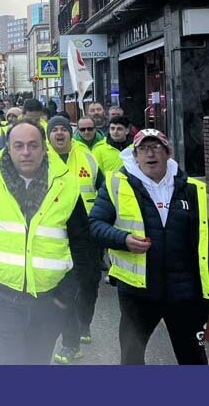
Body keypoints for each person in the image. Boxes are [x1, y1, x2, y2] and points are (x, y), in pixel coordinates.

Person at [0, 121, 97, 365]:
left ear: (44, 148)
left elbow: (82, 245)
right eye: (19, 146)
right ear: (8, 149)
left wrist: (68, 294)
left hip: (49, 298)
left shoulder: (65, 183)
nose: (26, 152)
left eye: (33, 145)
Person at [89, 129, 209, 365]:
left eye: (155, 147)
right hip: (138, 293)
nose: (149, 154)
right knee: (132, 359)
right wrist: (122, 239)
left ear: (168, 153)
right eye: (143, 149)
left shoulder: (194, 189)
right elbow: (94, 224)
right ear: (135, 156)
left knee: (194, 360)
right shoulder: (116, 184)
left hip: (185, 293)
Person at [46, 116, 104, 364]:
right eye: (54, 130)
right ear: (48, 135)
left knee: (90, 282)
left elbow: (104, 190)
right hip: (55, 233)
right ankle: (71, 342)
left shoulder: (86, 157)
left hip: (88, 231)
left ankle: (85, 323)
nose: (59, 134)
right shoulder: (40, 159)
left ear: (71, 135)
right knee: (65, 287)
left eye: (63, 130)